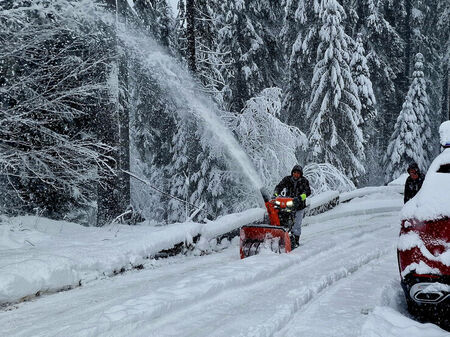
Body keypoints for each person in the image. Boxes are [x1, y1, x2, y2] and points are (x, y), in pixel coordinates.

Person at [273, 165, 311, 247]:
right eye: (294, 172)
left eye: (298, 173)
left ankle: (296, 241)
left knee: (297, 224)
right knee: (281, 218)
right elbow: (279, 187)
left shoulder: (304, 181)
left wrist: (300, 198)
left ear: (300, 174)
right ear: (292, 173)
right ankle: (280, 235)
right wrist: (275, 194)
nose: (296, 175)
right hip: (288, 203)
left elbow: (307, 192)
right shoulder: (287, 179)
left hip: (299, 206)